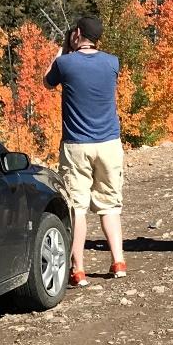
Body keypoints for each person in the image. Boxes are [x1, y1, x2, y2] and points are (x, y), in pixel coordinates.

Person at [44, 16, 127, 286]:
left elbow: (47, 82)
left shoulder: (64, 63)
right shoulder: (112, 62)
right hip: (109, 143)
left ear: (77, 33)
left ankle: (78, 269)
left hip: (76, 145)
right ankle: (118, 261)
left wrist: (61, 51)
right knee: (110, 205)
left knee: (77, 207)